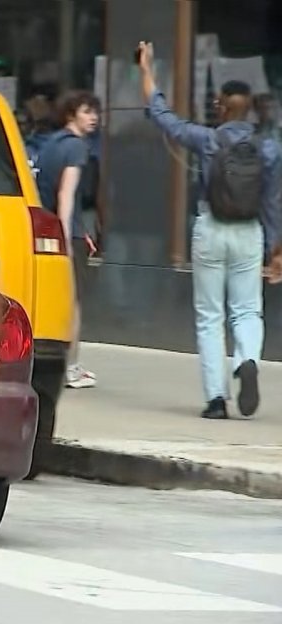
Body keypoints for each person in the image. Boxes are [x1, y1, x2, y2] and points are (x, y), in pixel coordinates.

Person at [139, 41, 282, 419]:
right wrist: (276, 250)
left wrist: (147, 70)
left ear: (220, 106)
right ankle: (247, 359)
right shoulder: (268, 149)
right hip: (248, 232)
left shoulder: (206, 139)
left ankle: (216, 400)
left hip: (211, 229)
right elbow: (272, 202)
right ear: (251, 108)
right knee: (248, 311)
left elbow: (163, 116)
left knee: (209, 315)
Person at [33, 90, 103, 389]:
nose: (94, 118)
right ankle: (71, 368)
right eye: (87, 112)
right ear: (71, 114)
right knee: (72, 304)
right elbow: (66, 195)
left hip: (47, 230)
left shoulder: (51, 144)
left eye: (95, 112)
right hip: (65, 234)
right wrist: (65, 240)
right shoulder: (76, 148)